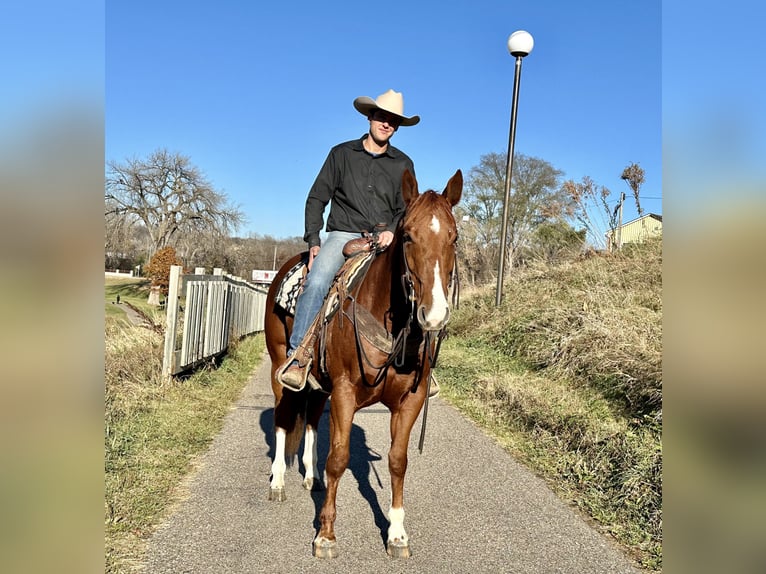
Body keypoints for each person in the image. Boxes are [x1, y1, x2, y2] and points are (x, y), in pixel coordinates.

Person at [278, 89, 419, 391]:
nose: (386, 124)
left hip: (386, 239)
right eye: (382, 117)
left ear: (397, 126)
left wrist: (392, 229)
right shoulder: (341, 154)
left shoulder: (403, 163)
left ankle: (417, 362)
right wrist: (314, 239)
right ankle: (298, 357)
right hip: (344, 234)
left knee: (415, 284)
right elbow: (317, 198)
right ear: (370, 117)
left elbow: (407, 207)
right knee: (317, 282)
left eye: (393, 121)